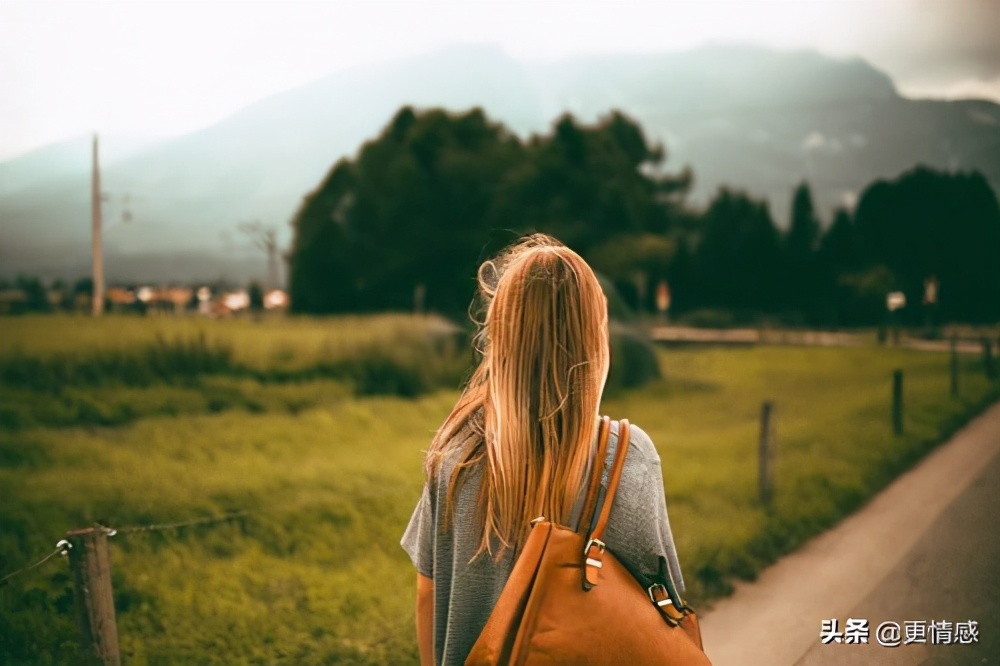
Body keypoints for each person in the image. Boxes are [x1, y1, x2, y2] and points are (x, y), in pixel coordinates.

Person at [401, 234, 686, 665]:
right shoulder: (627, 455)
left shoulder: (455, 456)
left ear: (500, 333)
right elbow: (666, 600)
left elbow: (428, 594)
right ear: (594, 336)